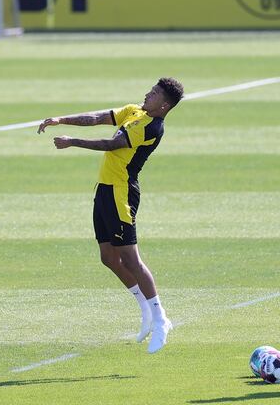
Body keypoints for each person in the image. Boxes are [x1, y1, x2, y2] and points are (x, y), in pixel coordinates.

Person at [37, 78, 184, 354]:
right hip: (104, 189)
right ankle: (145, 309)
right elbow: (97, 117)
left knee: (130, 258)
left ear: (164, 105)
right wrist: (60, 119)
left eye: (153, 94)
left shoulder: (152, 127)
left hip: (121, 193)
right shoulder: (135, 111)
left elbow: (111, 144)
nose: (147, 94)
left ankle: (161, 318)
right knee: (108, 257)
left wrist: (72, 142)